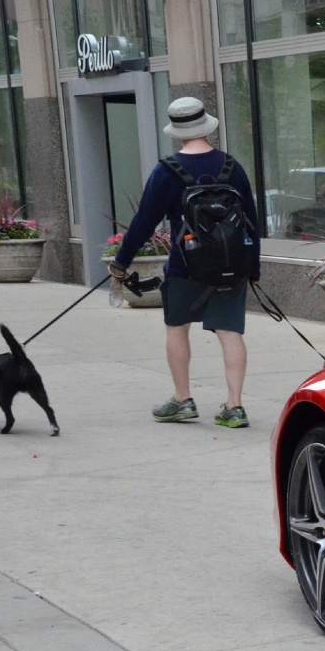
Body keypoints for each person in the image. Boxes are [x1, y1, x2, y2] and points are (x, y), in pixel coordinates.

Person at [108, 96, 260, 429]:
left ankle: (183, 400)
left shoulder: (167, 171)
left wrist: (121, 262)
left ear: (176, 131)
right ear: (206, 125)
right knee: (230, 332)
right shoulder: (231, 167)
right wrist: (253, 268)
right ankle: (234, 406)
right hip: (231, 265)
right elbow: (251, 220)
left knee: (177, 328)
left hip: (185, 266)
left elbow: (144, 221)